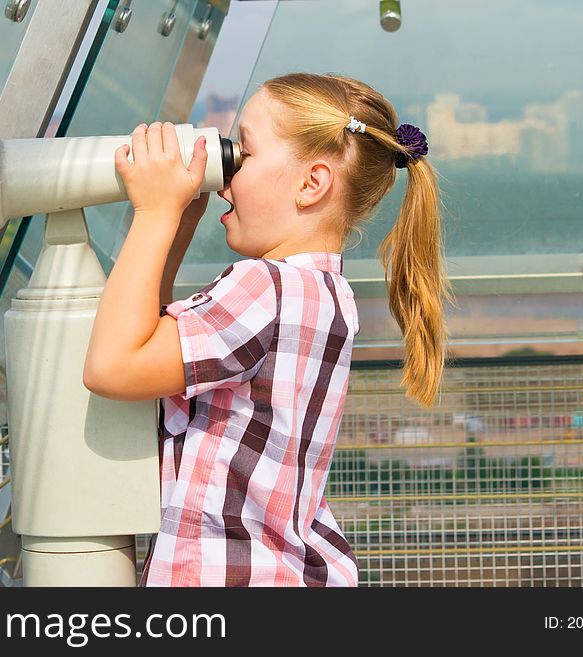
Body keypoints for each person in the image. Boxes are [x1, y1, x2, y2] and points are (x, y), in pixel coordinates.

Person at [83, 72, 453, 586]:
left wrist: (153, 212)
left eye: (245, 153)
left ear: (311, 183)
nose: (226, 173)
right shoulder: (325, 294)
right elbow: (153, 348)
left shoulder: (264, 289)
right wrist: (175, 222)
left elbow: (114, 366)